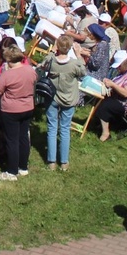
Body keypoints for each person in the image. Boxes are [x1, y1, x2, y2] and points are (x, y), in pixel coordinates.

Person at [0, 44, 35, 180]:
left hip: (11, 110)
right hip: (28, 107)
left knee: (12, 140)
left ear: (9, 60)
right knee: (23, 137)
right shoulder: (30, 70)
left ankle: (12, 171)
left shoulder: (8, 74)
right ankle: (23, 167)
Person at [45, 35, 86, 172]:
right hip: (68, 98)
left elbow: (44, 64)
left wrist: (52, 51)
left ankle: (51, 161)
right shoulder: (74, 64)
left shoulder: (52, 60)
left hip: (53, 98)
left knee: (52, 128)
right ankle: (64, 162)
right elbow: (83, 72)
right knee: (65, 129)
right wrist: (79, 54)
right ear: (69, 48)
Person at [96, 49, 127, 141]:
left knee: (105, 105)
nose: (118, 69)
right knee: (99, 98)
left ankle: (106, 134)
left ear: (124, 64)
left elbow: (126, 93)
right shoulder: (125, 71)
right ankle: (100, 123)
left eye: (119, 66)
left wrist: (113, 85)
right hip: (121, 99)